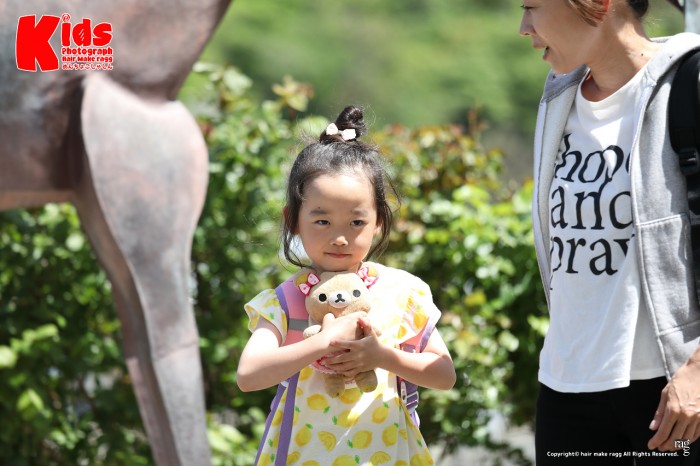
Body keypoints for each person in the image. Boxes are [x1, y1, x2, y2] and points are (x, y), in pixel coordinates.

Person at [519, 0, 700, 463]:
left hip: (672, 394)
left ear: (599, 5)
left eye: (532, 7)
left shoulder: (688, 82)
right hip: (567, 388)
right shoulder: (558, 98)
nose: (524, 27)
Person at [236, 105, 456, 466]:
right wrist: (323, 341)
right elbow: (248, 375)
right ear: (292, 220)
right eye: (322, 221)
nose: (339, 238)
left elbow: (444, 375)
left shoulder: (402, 292)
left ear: (379, 221)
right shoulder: (286, 300)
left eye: (356, 222)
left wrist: (382, 357)